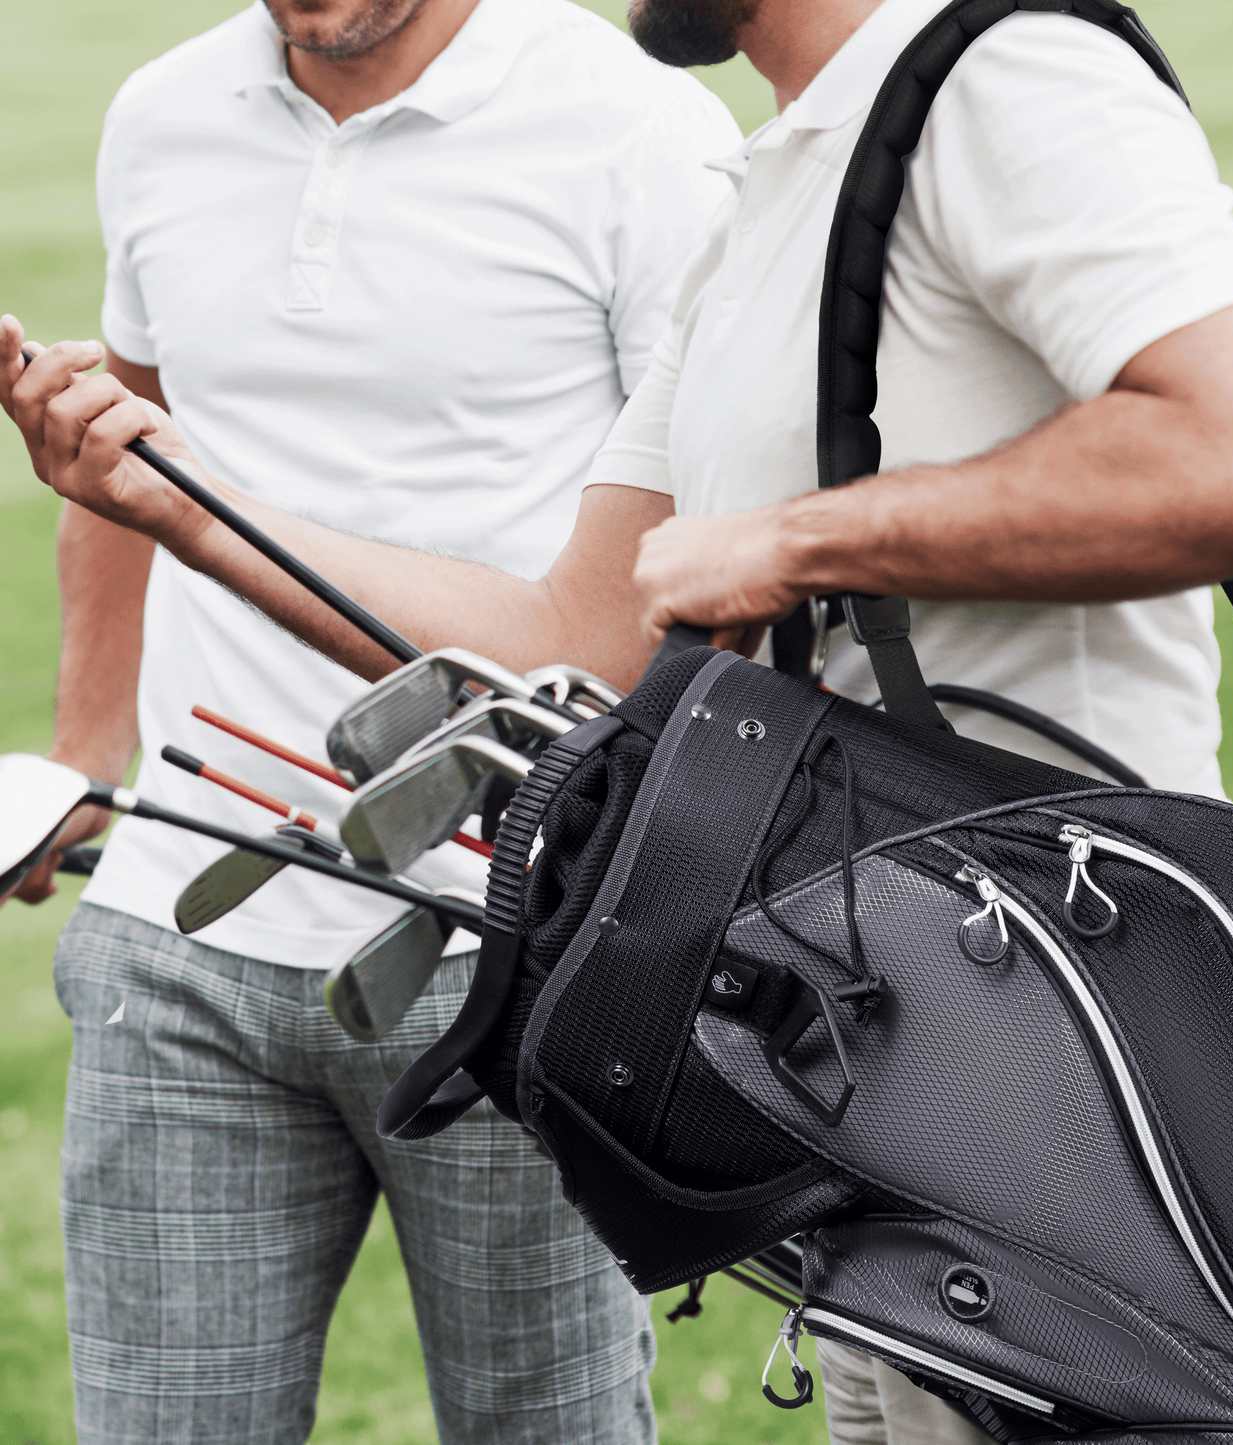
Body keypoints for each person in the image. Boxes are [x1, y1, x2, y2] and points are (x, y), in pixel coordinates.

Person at [3, 0, 1233, 1438]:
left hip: (1067, 1073)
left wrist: (800, 544)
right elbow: (574, 640)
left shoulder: (1004, 74)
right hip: (867, 1081)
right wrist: (181, 512)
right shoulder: (768, 192)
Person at [0, 0, 740, 1439]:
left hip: (510, 951)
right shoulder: (162, 112)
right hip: (180, 933)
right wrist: (88, 745)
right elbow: (133, 455)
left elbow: (669, 591)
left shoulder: (642, 129)